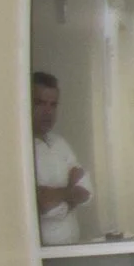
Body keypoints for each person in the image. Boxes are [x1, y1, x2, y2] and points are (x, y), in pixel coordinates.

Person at [31, 72, 91, 244]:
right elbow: (43, 205)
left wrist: (57, 195)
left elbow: (86, 192)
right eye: (39, 103)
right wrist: (71, 191)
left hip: (72, 246)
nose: (48, 112)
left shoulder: (59, 143)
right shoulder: (21, 150)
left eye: (53, 105)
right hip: (44, 253)